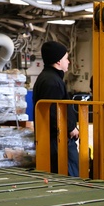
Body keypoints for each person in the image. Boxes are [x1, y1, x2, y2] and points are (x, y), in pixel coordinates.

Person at [33, 40, 80, 176]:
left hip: (55, 139)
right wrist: (70, 127)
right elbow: (53, 112)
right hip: (58, 141)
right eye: (66, 58)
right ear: (58, 61)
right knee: (68, 176)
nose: (69, 62)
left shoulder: (49, 78)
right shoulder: (51, 82)